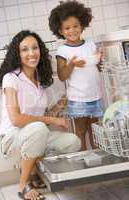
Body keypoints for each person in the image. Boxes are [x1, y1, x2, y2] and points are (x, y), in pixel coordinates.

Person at [0, 30, 81, 200]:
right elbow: (16, 119)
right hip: (10, 136)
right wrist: (51, 119)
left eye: (35, 48)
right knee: (39, 128)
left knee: (72, 142)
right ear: (18, 54)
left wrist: (65, 100)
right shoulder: (11, 78)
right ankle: (23, 185)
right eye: (25, 49)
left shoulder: (40, 81)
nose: (31, 53)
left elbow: (43, 116)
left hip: (34, 134)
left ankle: (36, 173)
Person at [49, 0, 104, 150]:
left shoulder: (91, 44)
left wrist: (100, 58)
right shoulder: (63, 51)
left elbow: (98, 68)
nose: (72, 31)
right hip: (78, 98)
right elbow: (62, 76)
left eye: (75, 26)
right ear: (60, 31)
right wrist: (71, 64)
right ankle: (83, 164)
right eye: (67, 28)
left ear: (82, 25)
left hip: (95, 95)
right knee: (80, 130)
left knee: (95, 130)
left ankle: (98, 161)